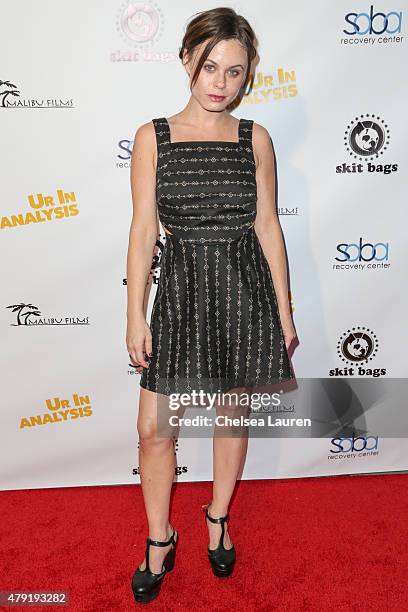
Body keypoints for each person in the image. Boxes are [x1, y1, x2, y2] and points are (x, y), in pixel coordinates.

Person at [126, 6, 297, 604]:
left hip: (243, 288)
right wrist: (134, 314)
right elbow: (143, 230)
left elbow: (269, 226)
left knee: (230, 413)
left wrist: (285, 311)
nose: (221, 83)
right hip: (177, 292)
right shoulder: (154, 137)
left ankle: (218, 516)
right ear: (185, 62)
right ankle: (159, 536)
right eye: (210, 68)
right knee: (154, 428)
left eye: (235, 71)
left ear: (248, 76)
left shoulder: (257, 137)